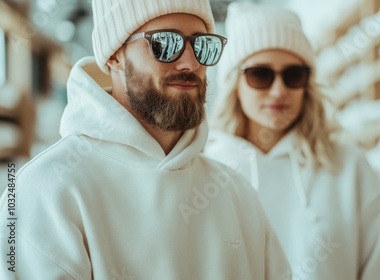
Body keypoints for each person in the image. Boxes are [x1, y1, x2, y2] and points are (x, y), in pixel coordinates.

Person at [0, 0, 290, 279]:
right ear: (114, 54)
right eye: (165, 43)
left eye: (202, 45)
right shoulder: (47, 192)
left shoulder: (236, 193)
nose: (190, 63)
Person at [205, 3, 380, 280]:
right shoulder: (207, 172)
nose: (278, 91)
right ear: (233, 83)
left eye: (293, 75)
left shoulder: (349, 167)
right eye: (260, 74)